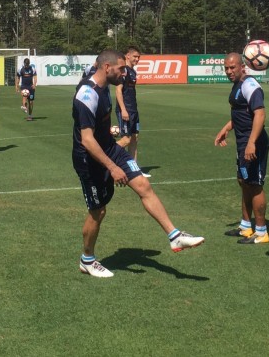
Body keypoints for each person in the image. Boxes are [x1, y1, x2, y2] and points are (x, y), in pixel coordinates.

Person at [72, 49, 204, 278]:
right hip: (88, 158)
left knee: (143, 185)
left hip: (110, 149)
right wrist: (112, 168)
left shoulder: (105, 88)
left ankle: (175, 236)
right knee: (98, 212)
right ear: (107, 68)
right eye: (121, 69)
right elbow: (86, 140)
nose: (124, 73)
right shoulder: (87, 94)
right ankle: (87, 260)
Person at [214, 52, 269, 244]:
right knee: (243, 181)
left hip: (254, 143)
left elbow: (260, 115)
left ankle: (261, 232)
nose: (229, 71)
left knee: (254, 184)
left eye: (232, 67)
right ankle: (246, 227)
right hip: (242, 141)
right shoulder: (238, 85)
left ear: (242, 66)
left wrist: (252, 142)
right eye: (226, 68)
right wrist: (226, 128)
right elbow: (240, 112)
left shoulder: (250, 85)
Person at [115, 46, 151, 177]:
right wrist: (123, 110)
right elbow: (118, 91)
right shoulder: (123, 71)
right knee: (125, 140)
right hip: (126, 111)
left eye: (139, 57)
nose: (137, 59)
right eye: (135, 56)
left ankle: (134, 170)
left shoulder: (132, 72)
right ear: (127, 56)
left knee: (135, 138)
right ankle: (106, 161)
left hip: (133, 110)